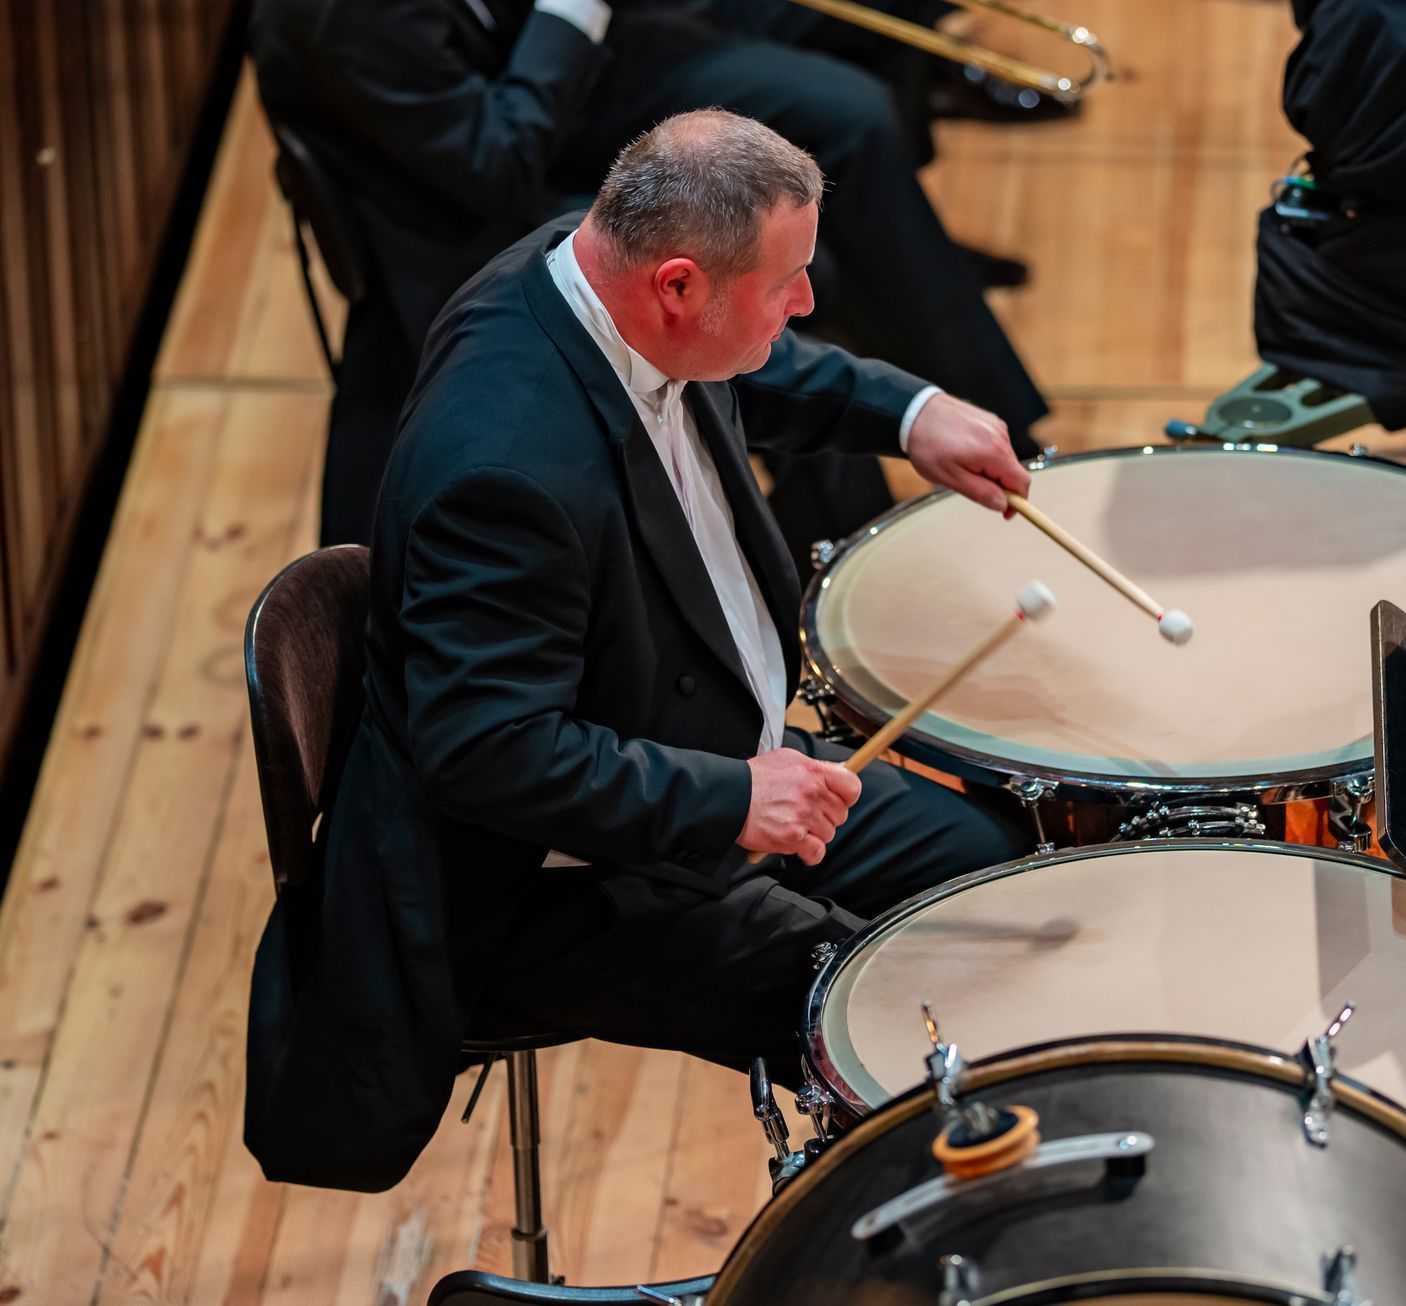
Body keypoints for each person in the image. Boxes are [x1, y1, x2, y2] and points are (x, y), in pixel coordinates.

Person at [244, 109, 1036, 1193]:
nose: (804, 300)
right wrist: (732, 799)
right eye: (786, 280)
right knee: (901, 1004)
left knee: (1001, 886)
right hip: (557, 876)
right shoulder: (508, 472)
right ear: (675, 284)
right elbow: (485, 753)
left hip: (709, 761)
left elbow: (752, 357)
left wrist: (908, 412)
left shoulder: (593, 276)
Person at [250, 0, 1048, 548]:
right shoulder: (345, 18)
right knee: (791, 284)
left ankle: (999, 439)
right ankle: (828, 564)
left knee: (847, 114)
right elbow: (496, 169)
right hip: (471, 204)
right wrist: (572, 12)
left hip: (555, 83)